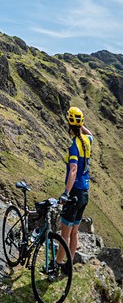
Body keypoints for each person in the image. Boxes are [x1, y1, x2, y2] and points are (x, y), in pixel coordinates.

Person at [57, 107, 93, 265]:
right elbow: (90, 134)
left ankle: (56, 264)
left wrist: (66, 192)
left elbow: (73, 170)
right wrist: (80, 124)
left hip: (74, 193)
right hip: (85, 193)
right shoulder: (87, 141)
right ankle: (69, 265)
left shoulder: (74, 146)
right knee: (75, 231)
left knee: (65, 234)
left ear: (68, 125)